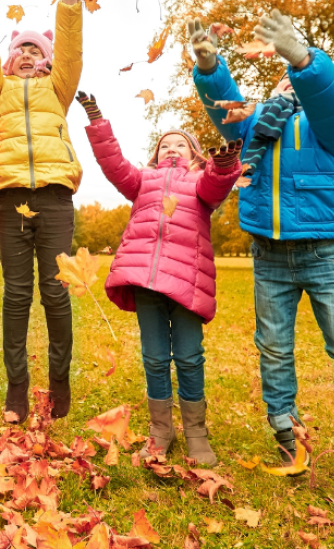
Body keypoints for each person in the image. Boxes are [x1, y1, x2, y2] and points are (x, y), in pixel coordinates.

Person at [191, 10, 334, 493]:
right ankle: (286, 432)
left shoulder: (328, 127)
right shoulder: (254, 126)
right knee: (274, 350)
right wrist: (210, 67)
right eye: (283, 73)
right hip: (269, 255)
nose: (286, 80)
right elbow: (224, 109)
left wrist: (303, 58)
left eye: (294, 72)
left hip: (322, 254)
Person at [77, 92, 241, 463]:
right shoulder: (142, 181)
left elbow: (217, 184)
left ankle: (196, 432)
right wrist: (96, 119)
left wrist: (224, 164)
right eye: (164, 144)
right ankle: (161, 430)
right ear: (154, 155)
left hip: (186, 282)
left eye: (180, 144)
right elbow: (114, 164)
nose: (171, 148)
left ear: (195, 154)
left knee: (188, 356)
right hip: (146, 281)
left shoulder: (200, 181)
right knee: (154, 357)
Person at [0, 0, 82, 423]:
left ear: (47, 59)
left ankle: (58, 383)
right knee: (17, 294)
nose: (29, 54)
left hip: (55, 197)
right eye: (22, 50)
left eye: (37, 49)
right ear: (11, 61)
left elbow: (72, 50)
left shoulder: (59, 88)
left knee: (55, 292)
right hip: (11, 197)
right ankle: (17, 388)